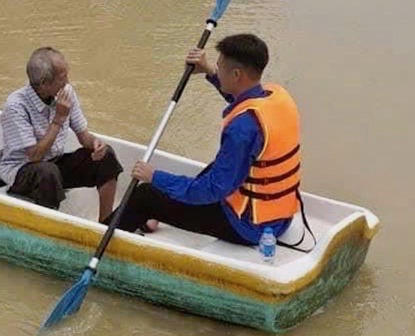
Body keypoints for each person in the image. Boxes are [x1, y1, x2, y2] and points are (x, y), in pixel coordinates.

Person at [111, 33, 301, 246]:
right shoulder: (276, 96)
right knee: (217, 166)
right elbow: (240, 99)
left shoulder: (241, 130)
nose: (217, 70)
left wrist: (155, 176)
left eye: (219, 67)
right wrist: (209, 71)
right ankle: (153, 218)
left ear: (237, 74)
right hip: (281, 219)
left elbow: (211, 190)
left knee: (146, 195)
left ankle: (96, 236)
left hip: (247, 227)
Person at [0, 47, 124, 221]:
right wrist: (59, 119)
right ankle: (50, 224)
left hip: (54, 162)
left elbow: (83, 137)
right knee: (47, 172)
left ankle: (105, 222)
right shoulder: (16, 106)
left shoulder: (66, 92)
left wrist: (96, 144)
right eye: (62, 79)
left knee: (106, 156)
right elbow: (35, 156)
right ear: (44, 83)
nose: (68, 82)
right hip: (21, 171)